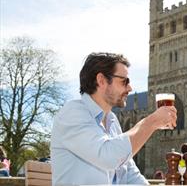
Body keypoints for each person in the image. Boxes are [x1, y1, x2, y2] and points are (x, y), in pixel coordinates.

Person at [51, 52, 177, 185]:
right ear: (101, 80)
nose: (130, 87)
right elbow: (108, 157)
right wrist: (151, 122)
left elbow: (129, 173)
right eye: (124, 81)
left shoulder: (112, 120)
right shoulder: (72, 113)